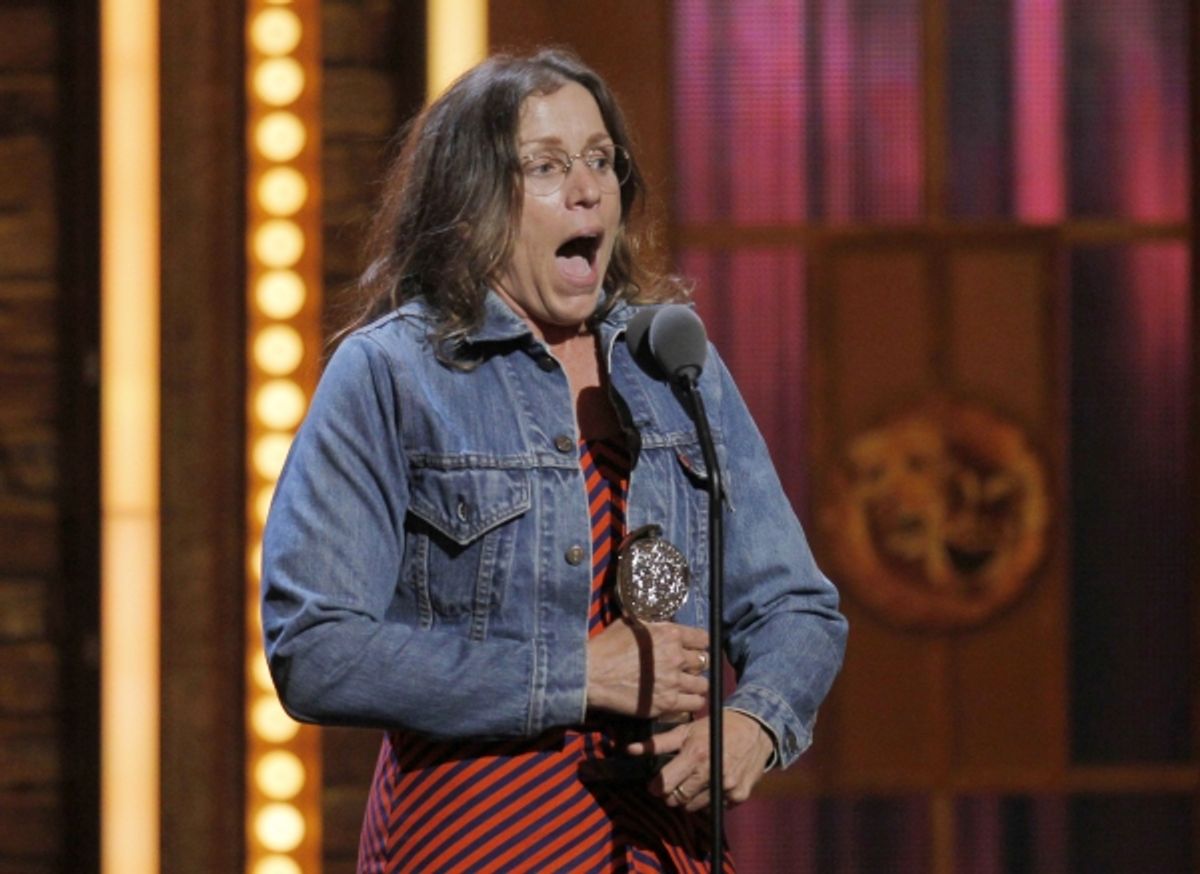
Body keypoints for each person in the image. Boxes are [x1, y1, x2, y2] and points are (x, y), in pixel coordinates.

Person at [261, 48, 847, 873]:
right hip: (473, 839)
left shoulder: (673, 365)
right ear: (471, 206)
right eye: (545, 166)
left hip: (657, 842)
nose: (587, 188)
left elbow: (795, 606)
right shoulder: (394, 373)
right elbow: (314, 650)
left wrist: (757, 720)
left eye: (601, 160)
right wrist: (578, 675)